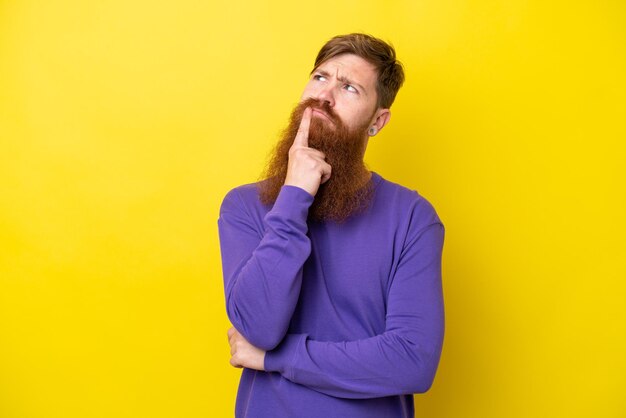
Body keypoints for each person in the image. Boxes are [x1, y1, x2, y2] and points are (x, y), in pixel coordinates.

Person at [217, 33, 445, 418]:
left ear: (377, 121)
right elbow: (259, 329)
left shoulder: (412, 217)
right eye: (320, 77)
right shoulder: (244, 206)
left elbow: (412, 360)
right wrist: (293, 198)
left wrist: (275, 358)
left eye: (349, 88)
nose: (324, 96)